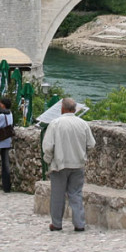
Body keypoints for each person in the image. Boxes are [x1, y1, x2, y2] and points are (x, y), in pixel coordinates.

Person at [42, 98, 96, 232]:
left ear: (62, 108)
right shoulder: (83, 124)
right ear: (75, 109)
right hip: (78, 164)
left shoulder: (55, 123)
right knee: (76, 194)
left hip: (60, 164)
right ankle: (79, 223)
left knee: (57, 195)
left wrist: (48, 160)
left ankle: (56, 223)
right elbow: (91, 144)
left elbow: (48, 146)